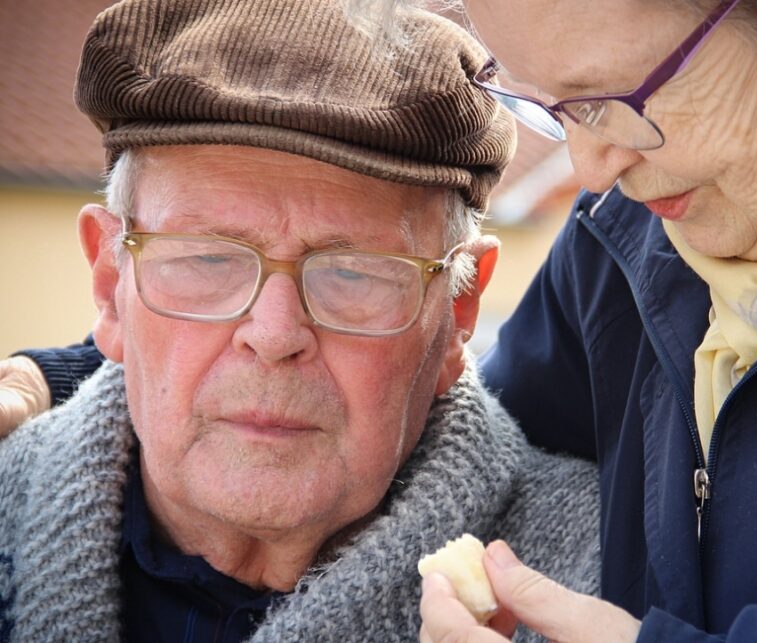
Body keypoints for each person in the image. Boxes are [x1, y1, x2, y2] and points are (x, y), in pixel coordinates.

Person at [5, 0, 757, 640]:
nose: (585, 175)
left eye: (620, 93)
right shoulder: (624, 247)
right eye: (553, 107)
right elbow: (425, 394)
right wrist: (71, 380)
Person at [0, 0, 601, 641]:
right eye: (207, 258)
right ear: (111, 282)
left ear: (458, 310)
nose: (276, 334)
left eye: (353, 273)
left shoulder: (608, 577)